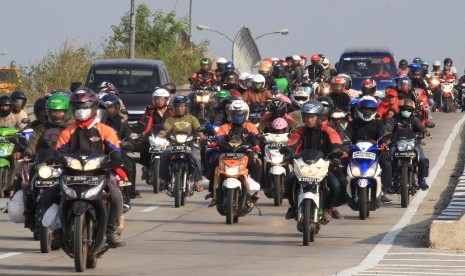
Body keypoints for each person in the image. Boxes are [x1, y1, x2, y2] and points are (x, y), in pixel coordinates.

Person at [50, 87, 126, 247]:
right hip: (71, 175)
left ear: (94, 108)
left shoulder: (105, 130)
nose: (81, 111)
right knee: (49, 195)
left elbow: (115, 149)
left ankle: (111, 231)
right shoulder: (68, 132)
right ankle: (57, 231)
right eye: (77, 108)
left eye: (84, 107)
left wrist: (117, 157)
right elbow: (58, 151)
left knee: (116, 196)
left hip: (99, 174)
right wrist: (53, 158)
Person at [15, 94, 74, 231]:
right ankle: (30, 216)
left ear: (67, 111)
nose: (56, 114)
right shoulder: (42, 127)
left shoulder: (73, 127)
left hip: (66, 165)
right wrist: (27, 154)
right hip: (44, 164)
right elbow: (33, 142)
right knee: (29, 186)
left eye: (59, 111)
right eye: (53, 111)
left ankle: (73, 218)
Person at [283, 100, 343, 221]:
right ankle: (293, 207)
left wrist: (336, 153)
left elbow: (336, 142)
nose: (309, 120)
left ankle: (327, 208)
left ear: (319, 117)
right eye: (306, 116)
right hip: (303, 166)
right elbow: (292, 143)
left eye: (312, 116)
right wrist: (288, 151)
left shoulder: (327, 130)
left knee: (336, 185)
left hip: (323, 167)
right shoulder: (300, 131)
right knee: (289, 180)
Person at [208, 99, 262, 206]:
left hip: (246, 155)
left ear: (246, 114)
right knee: (215, 166)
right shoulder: (225, 127)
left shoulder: (251, 127)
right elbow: (218, 138)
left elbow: (255, 138)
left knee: (257, 166)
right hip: (226, 155)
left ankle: (254, 192)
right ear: (230, 115)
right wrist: (214, 143)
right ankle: (214, 194)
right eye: (235, 114)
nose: (238, 117)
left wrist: (256, 145)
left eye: (241, 114)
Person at [345, 96, 393, 203]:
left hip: (374, 152)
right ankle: (344, 191)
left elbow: (382, 137)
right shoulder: (353, 124)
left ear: (374, 111)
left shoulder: (378, 123)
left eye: (370, 110)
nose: (367, 112)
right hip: (355, 153)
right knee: (341, 164)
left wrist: (384, 144)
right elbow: (346, 137)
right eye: (364, 109)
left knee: (386, 162)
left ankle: (384, 190)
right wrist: (345, 146)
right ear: (359, 110)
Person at [158, 95, 204, 192]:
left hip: (189, 146)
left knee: (196, 158)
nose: (180, 108)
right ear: (174, 108)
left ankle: (196, 182)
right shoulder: (170, 119)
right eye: (177, 106)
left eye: (182, 106)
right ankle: (164, 180)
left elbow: (198, 129)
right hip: (174, 146)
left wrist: (201, 135)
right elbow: (166, 128)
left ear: (187, 107)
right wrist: (162, 133)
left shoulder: (192, 119)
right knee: (164, 155)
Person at [102, 93, 139, 200]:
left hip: (117, 152)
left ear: (117, 107)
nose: (109, 110)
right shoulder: (99, 122)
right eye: (106, 108)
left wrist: (129, 143)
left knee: (130, 164)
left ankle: (129, 192)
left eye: (111, 107)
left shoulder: (122, 122)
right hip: (100, 152)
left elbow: (129, 135)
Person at [390, 99, 431, 190]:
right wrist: (387, 135)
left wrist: (426, 132)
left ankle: (421, 180)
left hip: (413, 144)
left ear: (412, 111)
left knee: (422, 159)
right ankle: (391, 179)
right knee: (389, 158)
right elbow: (388, 128)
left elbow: (421, 126)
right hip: (397, 144)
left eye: (409, 110)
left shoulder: (414, 119)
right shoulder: (394, 119)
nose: (406, 111)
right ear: (400, 109)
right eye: (404, 109)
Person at [139, 88, 174, 180]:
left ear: (166, 100)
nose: (158, 101)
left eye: (161, 99)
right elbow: (144, 121)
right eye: (156, 98)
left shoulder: (172, 110)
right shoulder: (150, 110)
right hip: (153, 135)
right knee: (145, 145)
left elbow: (176, 122)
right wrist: (143, 131)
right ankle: (146, 167)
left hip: (168, 135)